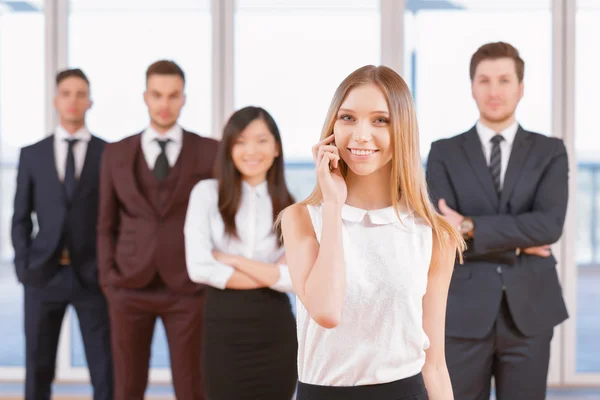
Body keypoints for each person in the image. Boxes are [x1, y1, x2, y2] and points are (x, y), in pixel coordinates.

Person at [279, 65, 464, 400]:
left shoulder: (434, 235)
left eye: (381, 120)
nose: (361, 134)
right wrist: (333, 206)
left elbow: (434, 365)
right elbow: (326, 311)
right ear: (332, 127)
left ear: (402, 130)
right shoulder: (301, 219)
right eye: (348, 118)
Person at [426, 42, 569, 400]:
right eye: (484, 80)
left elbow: (550, 226)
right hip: (461, 310)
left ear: (520, 88)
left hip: (530, 311)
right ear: (471, 86)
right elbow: (443, 234)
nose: (494, 91)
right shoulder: (443, 152)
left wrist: (471, 227)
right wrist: (521, 240)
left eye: (504, 80)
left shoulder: (550, 151)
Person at [97, 60, 219, 400]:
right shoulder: (116, 152)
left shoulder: (210, 151)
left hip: (188, 287)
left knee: (192, 386)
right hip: (127, 287)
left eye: (173, 95)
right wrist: (108, 278)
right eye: (157, 95)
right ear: (145, 97)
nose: (165, 104)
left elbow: (220, 219)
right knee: (127, 387)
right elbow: (105, 223)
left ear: (184, 98)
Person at [11, 68, 113, 400]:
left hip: (92, 276)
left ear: (90, 101)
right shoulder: (32, 154)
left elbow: (116, 218)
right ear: (56, 100)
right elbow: (20, 217)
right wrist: (24, 266)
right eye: (66, 93)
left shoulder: (108, 154)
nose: (73, 100)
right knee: (38, 367)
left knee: (104, 367)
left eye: (80, 93)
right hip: (43, 275)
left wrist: (108, 267)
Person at [184, 106, 298, 400]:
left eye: (261, 140)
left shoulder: (292, 207)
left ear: (276, 148)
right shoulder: (206, 194)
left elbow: (296, 279)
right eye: (241, 141)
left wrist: (232, 260)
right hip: (223, 329)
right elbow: (199, 268)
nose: (251, 150)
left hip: (276, 330)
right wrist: (271, 272)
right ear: (229, 147)